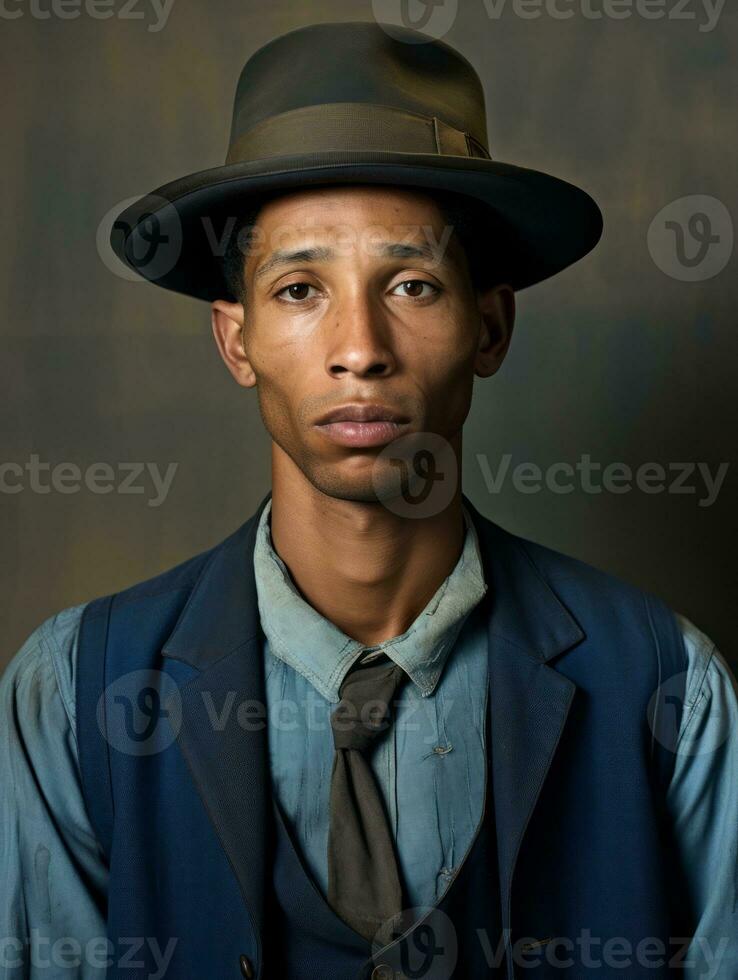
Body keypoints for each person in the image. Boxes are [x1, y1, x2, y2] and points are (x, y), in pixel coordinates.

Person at [1, 20, 736, 980]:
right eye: (301, 289)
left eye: (415, 284)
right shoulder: (73, 695)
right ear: (235, 341)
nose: (360, 347)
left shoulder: (668, 691)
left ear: (491, 326)